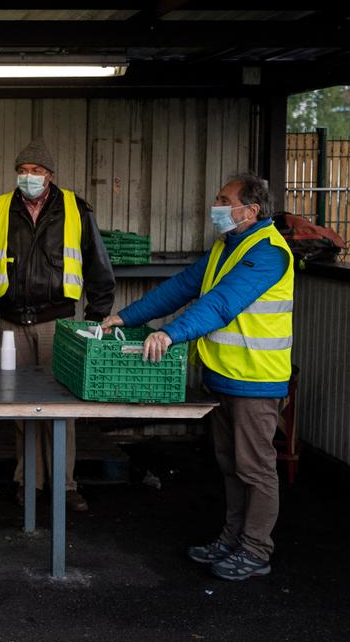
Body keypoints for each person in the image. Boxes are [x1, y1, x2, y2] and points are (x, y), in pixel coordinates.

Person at [100, 173, 293, 582]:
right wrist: (127, 316)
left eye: (224, 200)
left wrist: (171, 332)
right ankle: (231, 539)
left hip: (256, 381)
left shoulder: (268, 252)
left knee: (256, 469)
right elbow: (183, 286)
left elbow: (222, 303)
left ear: (250, 210)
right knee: (230, 465)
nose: (215, 206)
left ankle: (256, 550)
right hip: (224, 377)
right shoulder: (228, 246)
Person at [0, 138, 115, 513]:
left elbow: (99, 267)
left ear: (49, 175)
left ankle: (64, 486)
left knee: (61, 408)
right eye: (22, 171)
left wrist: (96, 318)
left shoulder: (75, 210)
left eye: (35, 171)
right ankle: (27, 482)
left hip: (58, 323)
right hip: (11, 323)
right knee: (20, 408)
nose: (27, 177)